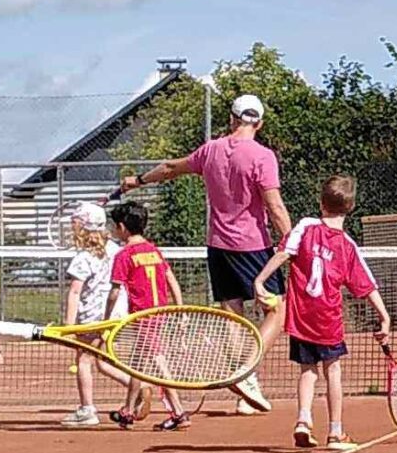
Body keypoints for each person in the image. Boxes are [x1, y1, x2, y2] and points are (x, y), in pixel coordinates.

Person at [122, 93, 289, 415]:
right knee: (277, 310)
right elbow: (275, 206)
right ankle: (246, 373)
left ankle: (244, 392)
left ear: (232, 118)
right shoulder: (263, 156)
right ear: (260, 123)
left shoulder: (210, 150)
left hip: (218, 246)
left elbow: (170, 167)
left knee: (232, 315)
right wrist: (293, 242)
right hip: (253, 246)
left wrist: (138, 180)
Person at [252, 173, 390, 453]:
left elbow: (283, 253)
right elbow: (366, 285)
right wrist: (384, 317)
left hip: (301, 317)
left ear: (321, 203)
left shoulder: (305, 226)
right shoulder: (347, 246)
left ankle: (303, 420)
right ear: (350, 208)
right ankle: (336, 432)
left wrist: (259, 280)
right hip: (328, 320)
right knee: (333, 371)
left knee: (307, 370)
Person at [103, 202, 190, 431]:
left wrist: (106, 319)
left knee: (158, 363)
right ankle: (128, 411)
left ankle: (179, 412)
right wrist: (180, 309)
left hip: (143, 316)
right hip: (158, 313)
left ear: (122, 227)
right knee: (138, 364)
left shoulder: (124, 255)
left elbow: (114, 292)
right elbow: (171, 279)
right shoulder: (153, 250)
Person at [57, 201, 114, 427]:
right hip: (112, 315)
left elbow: (75, 292)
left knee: (83, 360)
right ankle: (136, 387)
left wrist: (69, 326)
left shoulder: (83, 258)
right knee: (103, 361)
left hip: (91, 317)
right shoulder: (115, 251)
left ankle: (87, 409)